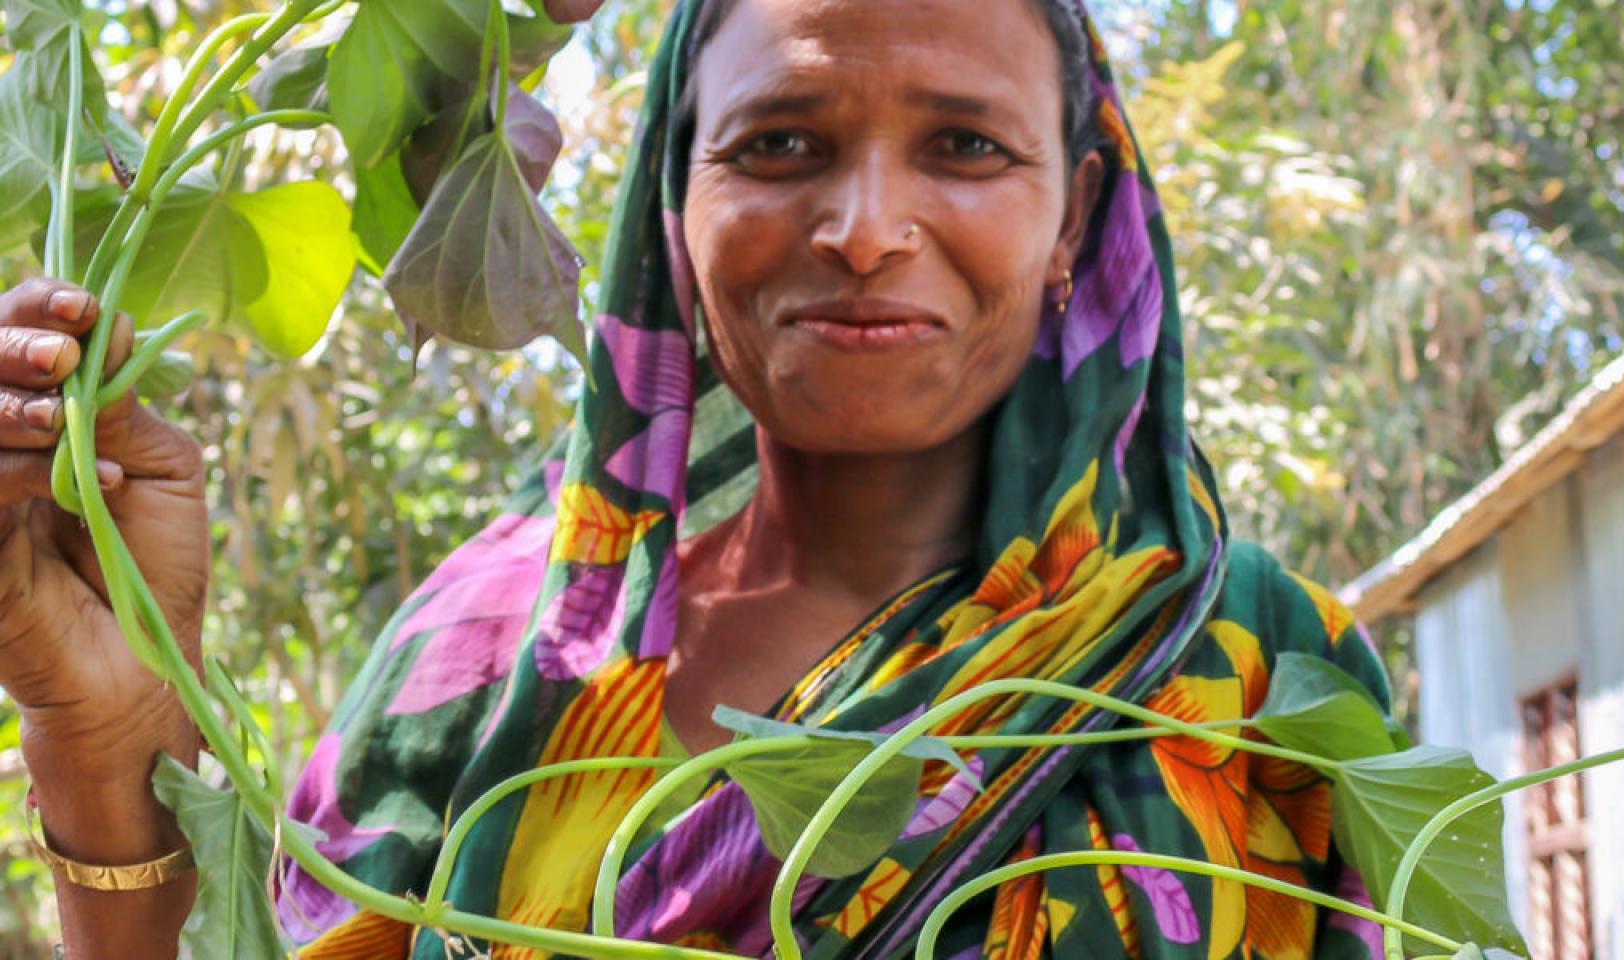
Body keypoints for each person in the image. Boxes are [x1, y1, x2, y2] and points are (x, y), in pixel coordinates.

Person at [0, 0, 1397, 956]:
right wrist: (112, 736)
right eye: (778, 143)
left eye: (966, 146)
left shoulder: (1252, 676)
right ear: (675, 201)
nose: (863, 229)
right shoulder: (485, 658)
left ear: (1074, 215)